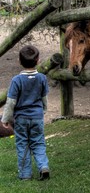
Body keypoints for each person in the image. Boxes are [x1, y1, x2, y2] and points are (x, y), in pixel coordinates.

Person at [1, 45, 50, 181]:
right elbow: (44, 97)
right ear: (38, 60)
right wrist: (43, 110)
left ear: (19, 61)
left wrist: (5, 119)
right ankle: (43, 166)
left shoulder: (16, 80)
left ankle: (25, 174)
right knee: (38, 142)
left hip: (21, 119)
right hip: (37, 117)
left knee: (22, 144)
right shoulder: (42, 78)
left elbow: (11, 102)